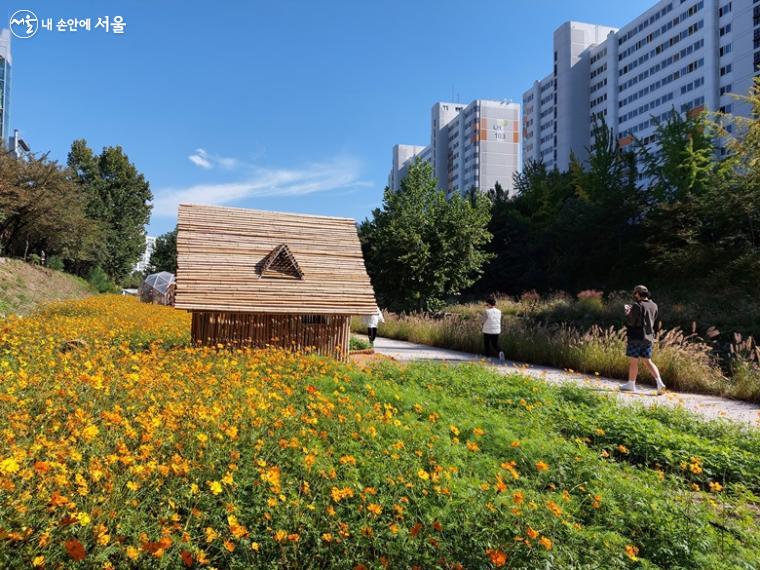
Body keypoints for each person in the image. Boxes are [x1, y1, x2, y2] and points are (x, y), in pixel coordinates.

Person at [620, 285, 667, 395]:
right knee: (648, 361)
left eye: (635, 293)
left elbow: (632, 321)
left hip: (636, 337)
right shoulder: (654, 305)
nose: (634, 295)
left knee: (633, 361)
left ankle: (631, 384)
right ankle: (660, 383)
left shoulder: (637, 305)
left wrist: (627, 312)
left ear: (637, 294)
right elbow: (653, 320)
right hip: (648, 337)